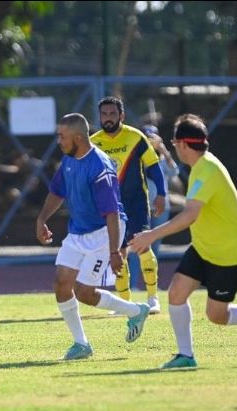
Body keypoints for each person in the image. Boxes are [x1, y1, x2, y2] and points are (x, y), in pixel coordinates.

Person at [129, 114, 237, 369]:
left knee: (216, 315)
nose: (174, 147)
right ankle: (185, 355)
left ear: (184, 145)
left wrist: (151, 235)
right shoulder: (199, 167)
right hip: (203, 248)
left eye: (175, 143)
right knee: (176, 293)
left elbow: (189, 215)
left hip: (230, 253)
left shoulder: (207, 169)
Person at [36, 113, 150, 361]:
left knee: (85, 292)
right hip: (78, 230)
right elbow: (57, 191)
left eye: (62, 137)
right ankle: (81, 344)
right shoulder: (67, 161)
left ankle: (136, 310)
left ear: (78, 137)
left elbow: (111, 213)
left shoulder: (100, 166)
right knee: (60, 283)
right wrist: (41, 219)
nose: (59, 141)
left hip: (103, 231)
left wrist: (114, 251)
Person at [90, 97, 166, 314]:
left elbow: (153, 166)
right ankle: (124, 304)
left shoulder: (135, 137)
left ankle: (153, 298)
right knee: (117, 253)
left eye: (113, 114)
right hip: (111, 208)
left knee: (143, 246)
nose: (108, 118)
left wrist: (161, 193)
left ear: (121, 116)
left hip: (136, 203)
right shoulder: (93, 142)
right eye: (104, 114)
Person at [127, 124, 183, 288]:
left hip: (161, 209)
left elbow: (175, 171)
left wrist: (163, 149)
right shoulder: (137, 158)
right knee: (138, 248)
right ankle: (133, 284)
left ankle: (151, 284)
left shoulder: (162, 159)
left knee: (155, 249)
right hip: (142, 209)